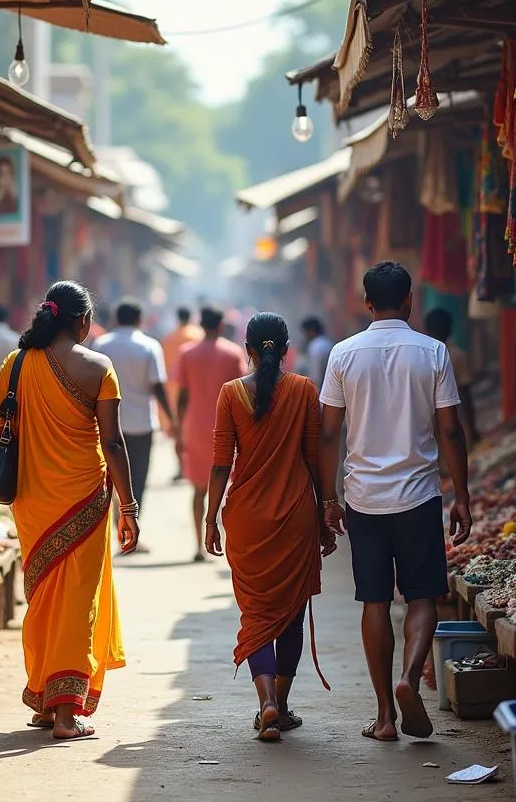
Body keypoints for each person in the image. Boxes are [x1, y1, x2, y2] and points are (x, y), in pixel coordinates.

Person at [0, 281, 139, 740]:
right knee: (77, 601)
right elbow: (113, 442)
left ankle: (45, 699)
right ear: (82, 322)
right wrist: (130, 507)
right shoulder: (99, 367)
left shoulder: (17, 364)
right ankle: (64, 714)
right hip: (85, 498)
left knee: (42, 596)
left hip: (34, 502)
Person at [318, 261, 472, 743]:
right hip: (420, 495)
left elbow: (328, 434)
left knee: (375, 600)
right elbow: (450, 428)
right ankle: (410, 676)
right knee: (423, 595)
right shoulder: (432, 353)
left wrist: (329, 498)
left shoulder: (343, 354)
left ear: (366, 303)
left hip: (364, 499)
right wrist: (462, 497)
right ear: (410, 300)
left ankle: (385, 715)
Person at [205, 313, 335, 741]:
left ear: (247, 350)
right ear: (286, 350)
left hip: (246, 520)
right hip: (296, 515)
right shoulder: (303, 390)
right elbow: (314, 460)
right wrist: (325, 514)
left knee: (257, 614)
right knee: (291, 614)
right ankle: (281, 703)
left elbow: (222, 462)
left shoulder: (229, 394)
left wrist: (209, 520)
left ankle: (266, 705)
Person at [94, 299, 175, 522]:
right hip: (141, 424)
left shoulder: (101, 345)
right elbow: (157, 385)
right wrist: (170, 418)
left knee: (110, 476)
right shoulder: (149, 346)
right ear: (139, 319)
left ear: (116, 319)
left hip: (108, 423)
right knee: (137, 477)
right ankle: (131, 527)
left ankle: (116, 524)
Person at [175, 305, 245, 562]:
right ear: (220, 325)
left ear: (201, 325)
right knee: (230, 489)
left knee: (198, 490)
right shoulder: (233, 353)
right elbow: (242, 393)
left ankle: (198, 545)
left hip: (195, 427)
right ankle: (230, 544)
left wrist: (177, 428)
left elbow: (182, 396)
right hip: (228, 428)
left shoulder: (187, 353)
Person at [425, 308, 479, 446]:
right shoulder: (457, 355)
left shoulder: (419, 355)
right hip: (450, 418)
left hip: (423, 422)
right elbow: (466, 394)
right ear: (450, 330)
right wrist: (472, 428)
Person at [161, 307, 204, 481]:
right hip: (196, 389)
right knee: (195, 430)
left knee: (178, 430)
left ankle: (181, 468)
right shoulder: (199, 336)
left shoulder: (168, 339)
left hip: (174, 389)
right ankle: (197, 467)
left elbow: (163, 367)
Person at [301, 316, 334, 390]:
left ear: (311, 331)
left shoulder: (315, 347)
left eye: (305, 333)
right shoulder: (328, 343)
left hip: (321, 389)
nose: (304, 336)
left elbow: (316, 375)